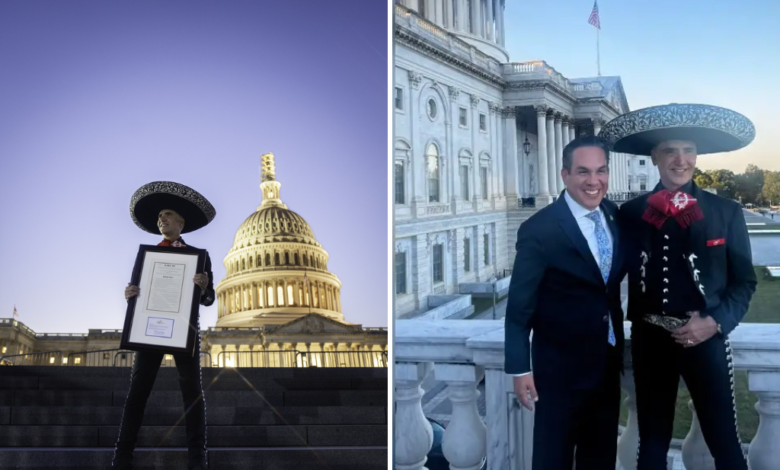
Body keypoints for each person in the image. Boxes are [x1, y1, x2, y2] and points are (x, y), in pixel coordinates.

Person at [599, 103, 757, 470]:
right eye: (670, 150)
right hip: (649, 340)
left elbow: (744, 282)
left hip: (707, 337)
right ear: (655, 157)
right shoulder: (630, 213)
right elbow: (606, 275)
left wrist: (715, 322)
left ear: (697, 157)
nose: (680, 159)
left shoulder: (725, 212)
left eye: (688, 150)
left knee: (726, 444)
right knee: (651, 447)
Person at [504, 135, 626, 470]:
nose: (593, 181)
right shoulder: (539, 229)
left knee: (600, 459)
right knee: (552, 460)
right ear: (565, 175)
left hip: (606, 365)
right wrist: (519, 368)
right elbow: (518, 310)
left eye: (601, 171)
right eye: (583, 172)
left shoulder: (614, 216)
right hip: (559, 374)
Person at [111, 181, 217, 470]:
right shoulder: (146, 255)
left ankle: (198, 458)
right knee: (137, 393)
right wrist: (130, 294)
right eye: (159, 217)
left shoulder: (200, 256)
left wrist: (205, 286)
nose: (162, 219)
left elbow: (208, 299)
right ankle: (122, 457)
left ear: (181, 222)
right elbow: (138, 291)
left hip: (185, 332)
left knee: (192, 394)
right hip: (148, 330)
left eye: (167, 214)